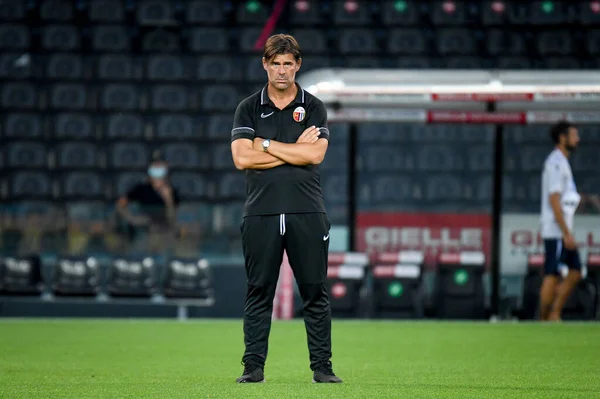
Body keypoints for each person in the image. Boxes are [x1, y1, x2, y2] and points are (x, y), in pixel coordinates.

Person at [230, 34, 341, 384]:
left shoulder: (314, 107)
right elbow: (240, 158)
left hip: (307, 211)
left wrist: (263, 144)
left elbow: (315, 155)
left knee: (314, 290)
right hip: (260, 212)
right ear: (265, 64)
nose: (281, 71)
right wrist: (291, 149)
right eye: (275, 63)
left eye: (288, 64)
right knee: (259, 290)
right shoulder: (248, 107)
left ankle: (322, 369)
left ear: (298, 66)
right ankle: (253, 368)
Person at [116, 150, 180, 299]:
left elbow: (173, 217)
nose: (158, 168)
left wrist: (168, 199)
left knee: (166, 265)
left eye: (160, 164)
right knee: (138, 264)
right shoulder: (141, 188)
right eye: (155, 164)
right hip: (144, 233)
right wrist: (133, 219)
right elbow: (120, 205)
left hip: (164, 233)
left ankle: (165, 293)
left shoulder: (172, 191)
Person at [538, 121, 583, 321]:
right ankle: (544, 317)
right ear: (562, 138)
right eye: (574, 135)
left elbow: (565, 198)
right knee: (552, 272)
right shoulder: (555, 163)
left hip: (563, 229)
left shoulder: (563, 162)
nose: (578, 139)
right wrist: (565, 232)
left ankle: (554, 312)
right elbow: (554, 198)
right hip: (556, 230)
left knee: (575, 271)